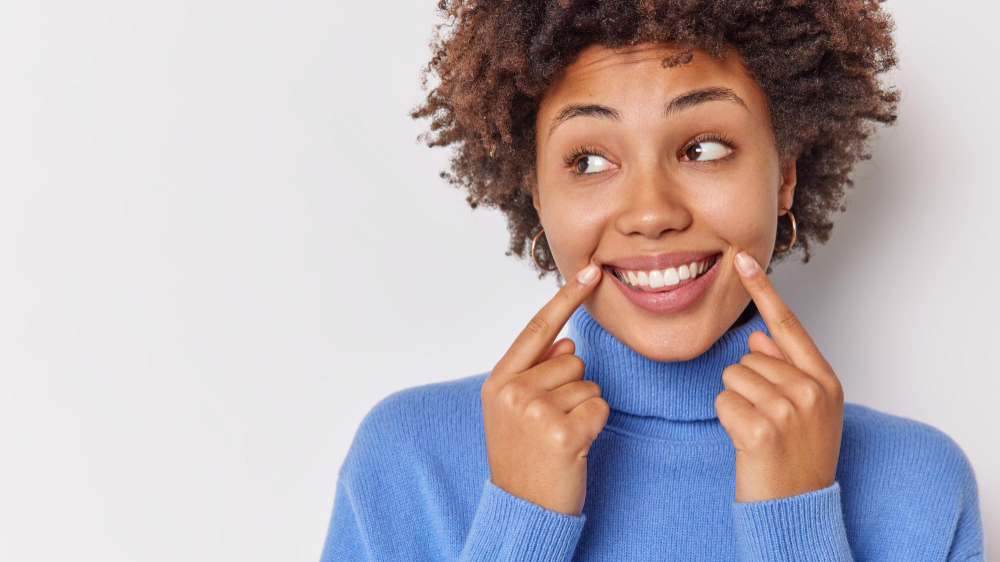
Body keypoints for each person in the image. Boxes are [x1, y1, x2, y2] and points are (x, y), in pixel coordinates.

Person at [320, 0, 985, 560]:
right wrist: (520, 525)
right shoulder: (409, 460)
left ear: (784, 175)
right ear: (538, 194)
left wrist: (795, 527)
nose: (650, 213)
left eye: (703, 149)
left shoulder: (919, 487)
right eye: (588, 160)